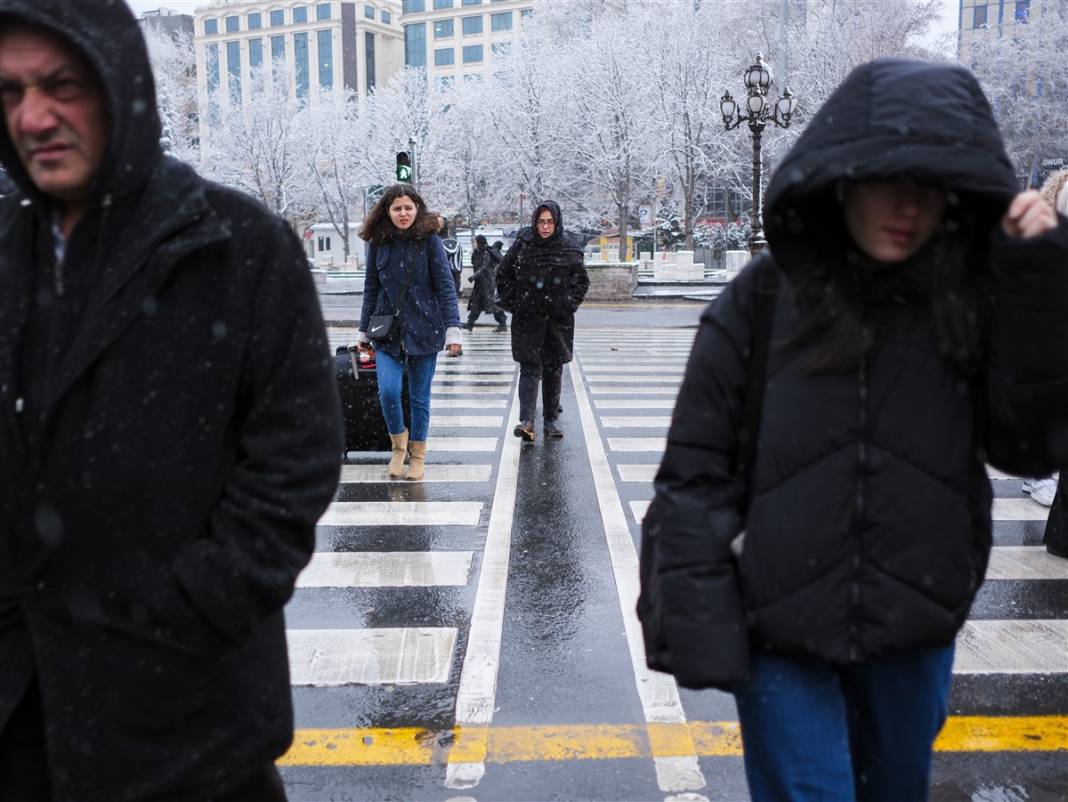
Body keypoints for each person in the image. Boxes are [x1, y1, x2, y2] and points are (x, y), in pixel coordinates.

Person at [639, 59, 1068, 802]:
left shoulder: (969, 300)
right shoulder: (761, 301)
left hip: (913, 623)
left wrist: (1037, 280)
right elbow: (694, 473)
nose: (908, 206)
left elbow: (1028, 445)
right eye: (886, 180)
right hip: (782, 627)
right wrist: (700, 617)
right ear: (841, 179)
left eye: (930, 187)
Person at [0, 2, 343, 800]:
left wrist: (189, 607)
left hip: (189, 720)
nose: (34, 116)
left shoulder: (239, 245)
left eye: (61, 85)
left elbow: (295, 459)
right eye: (10, 91)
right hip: (23, 715)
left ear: (122, 84)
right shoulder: (6, 251)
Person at [357, 184, 462, 481]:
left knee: (419, 398)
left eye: (408, 207)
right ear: (387, 212)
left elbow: (445, 287)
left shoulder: (430, 242)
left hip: (425, 329)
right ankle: (398, 447)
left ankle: (418, 457)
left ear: (417, 209)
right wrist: (363, 331)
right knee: (388, 391)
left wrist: (453, 328)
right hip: (386, 331)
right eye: (396, 208)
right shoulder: (378, 243)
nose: (403, 213)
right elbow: (371, 289)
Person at [496, 201, 589, 442]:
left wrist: (567, 304)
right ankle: (526, 420)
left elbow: (581, 281)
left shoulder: (569, 248)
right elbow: (503, 274)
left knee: (552, 369)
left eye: (549, 222)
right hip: (528, 317)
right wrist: (517, 302)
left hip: (557, 320)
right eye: (541, 222)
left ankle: (550, 419)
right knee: (529, 368)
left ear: (557, 223)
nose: (545, 227)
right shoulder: (524, 244)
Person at [463, 234, 508, 332]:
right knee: (476, 304)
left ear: (479, 242)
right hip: (480, 284)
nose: (473, 244)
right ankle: (470, 324)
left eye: (475, 242)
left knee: (493, 305)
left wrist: (473, 276)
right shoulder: (476, 252)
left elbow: (484, 267)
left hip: (488, 284)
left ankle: (502, 323)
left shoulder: (486, 253)